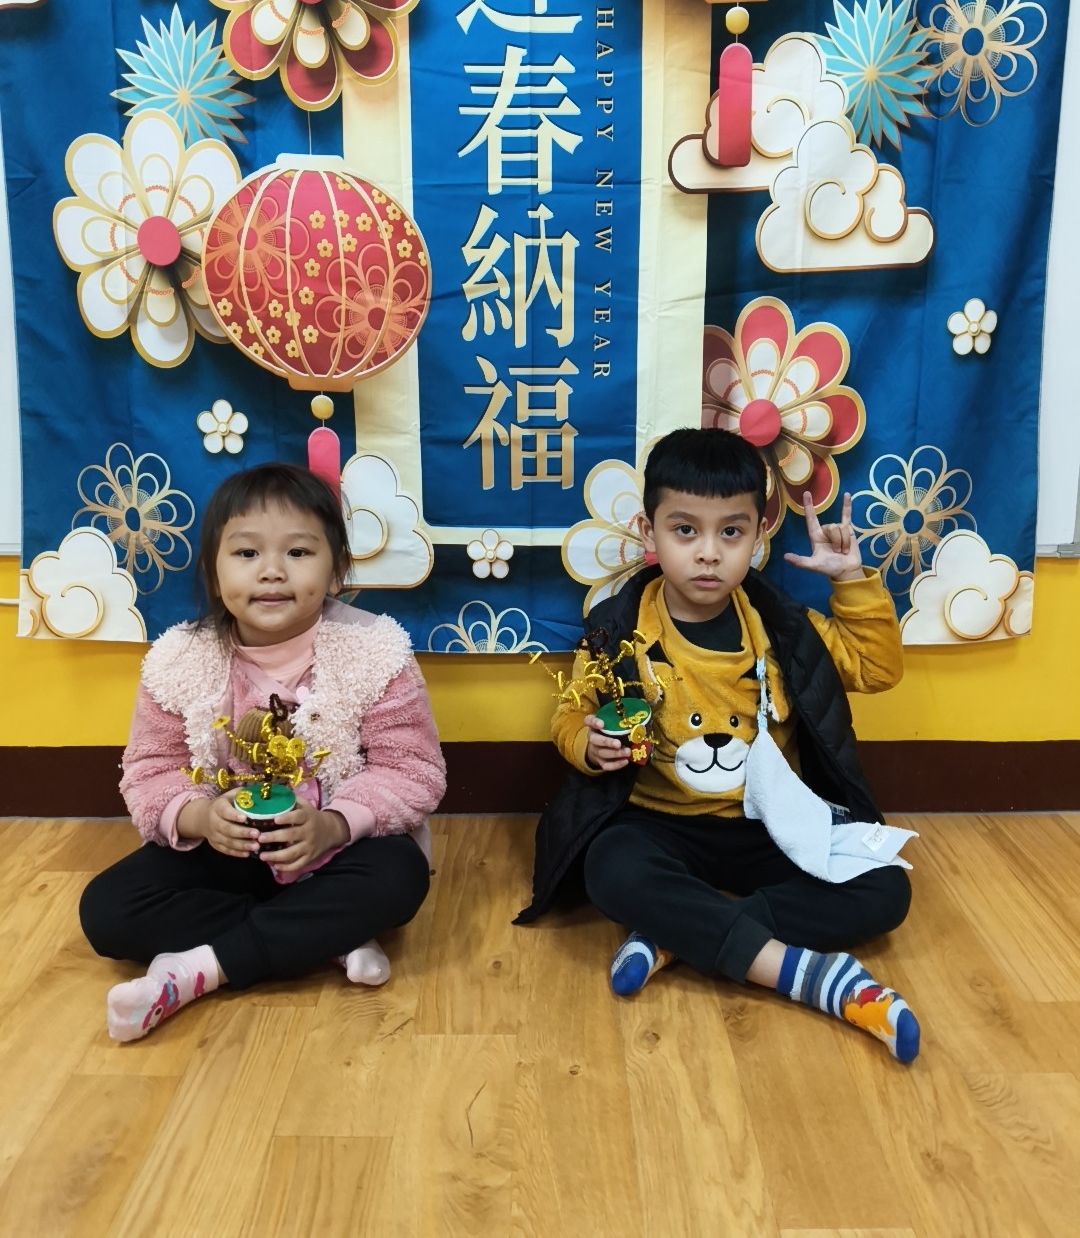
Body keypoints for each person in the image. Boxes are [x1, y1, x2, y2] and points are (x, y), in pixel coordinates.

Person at [516, 428, 920, 1063]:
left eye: (731, 532)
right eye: (685, 531)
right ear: (648, 533)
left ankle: (677, 934)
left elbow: (876, 670)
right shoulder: (618, 631)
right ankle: (814, 978)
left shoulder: (785, 629)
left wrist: (852, 580)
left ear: (758, 536)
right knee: (610, 867)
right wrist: (587, 747)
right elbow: (572, 714)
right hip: (659, 825)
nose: (708, 554)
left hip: (770, 825)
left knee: (886, 886)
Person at [80, 463, 445, 1042]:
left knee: (398, 878)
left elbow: (413, 770)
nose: (272, 571)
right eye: (246, 553)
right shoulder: (178, 660)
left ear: (336, 569)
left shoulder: (375, 651)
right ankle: (320, 937)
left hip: (334, 852)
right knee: (107, 908)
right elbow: (150, 772)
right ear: (213, 570)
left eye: (298, 553)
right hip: (230, 853)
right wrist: (201, 817)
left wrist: (332, 826)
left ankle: (196, 969)